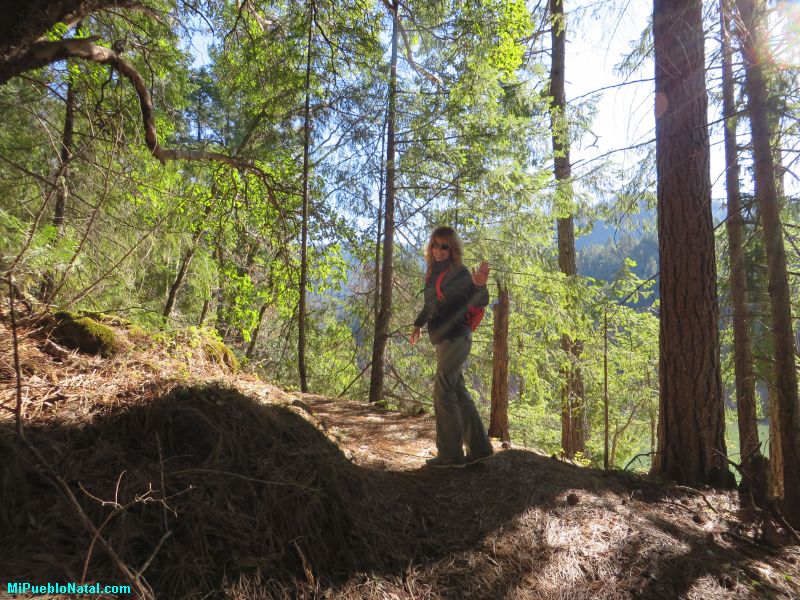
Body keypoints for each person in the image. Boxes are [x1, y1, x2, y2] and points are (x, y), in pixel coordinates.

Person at [410, 226, 494, 468]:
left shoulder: (459, 273)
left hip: (456, 338)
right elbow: (431, 304)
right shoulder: (435, 272)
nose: (438, 250)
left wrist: (480, 286)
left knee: (443, 392)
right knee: (457, 391)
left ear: (453, 248)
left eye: (444, 246)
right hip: (447, 339)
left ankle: (450, 455)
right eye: (435, 245)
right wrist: (418, 324)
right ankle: (480, 449)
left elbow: (479, 299)